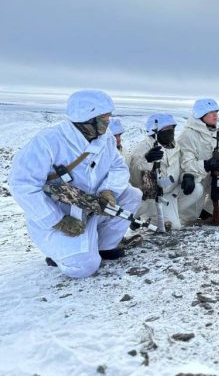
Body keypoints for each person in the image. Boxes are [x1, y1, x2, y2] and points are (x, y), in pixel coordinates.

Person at [9, 90, 142, 278]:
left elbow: (118, 167)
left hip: (92, 204)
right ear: (87, 118)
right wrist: (57, 220)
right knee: (83, 268)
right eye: (103, 117)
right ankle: (60, 255)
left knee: (132, 195)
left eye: (108, 116)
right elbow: (22, 184)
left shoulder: (106, 139)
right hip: (62, 213)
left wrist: (108, 191)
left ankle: (104, 247)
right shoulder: (48, 142)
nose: (108, 121)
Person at [129, 113, 196, 230]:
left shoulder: (176, 146)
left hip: (170, 193)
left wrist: (187, 176)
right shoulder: (143, 147)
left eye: (172, 128)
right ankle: (145, 216)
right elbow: (134, 178)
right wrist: (147, 160)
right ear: (154, 132)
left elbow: (184, 165)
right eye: (165, 129)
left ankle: (172, 214)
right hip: (151, 197)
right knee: (174, 228)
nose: (170, 132)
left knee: (197, 189)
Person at [178, 98, 219, 224]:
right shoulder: (188, 134)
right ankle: (183, 218)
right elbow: (186, 164)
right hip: (194, 177)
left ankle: (208, 213)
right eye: (211, 112)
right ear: (200, 114)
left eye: (216, 111)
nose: (215, 115)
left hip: (211, 176)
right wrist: (206, 165)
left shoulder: (218, 133)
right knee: (190, 213)